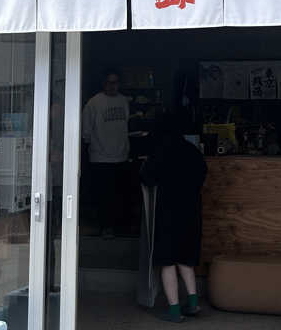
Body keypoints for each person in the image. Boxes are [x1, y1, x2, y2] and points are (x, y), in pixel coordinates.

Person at [141, 113, 208, 323]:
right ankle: (193, 302)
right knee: (185, 259)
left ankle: (174, 310)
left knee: (168, 262)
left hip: (168, 213)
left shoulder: (161, 151)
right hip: (191, 212)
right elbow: (203, 173)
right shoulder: (192, 151)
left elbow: (147, 177)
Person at [82, 69, 130, 237]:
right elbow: (86, 131)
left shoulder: (124, 101)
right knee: (103, 195)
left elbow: (126, 125)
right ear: (103, 84)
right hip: (100, 157)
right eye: (109, 82)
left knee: (119, 195)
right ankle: (105, 227)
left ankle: (117, 226)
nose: (112, 86)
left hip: (121, 156)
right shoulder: (93, 103)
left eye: (115, 82)